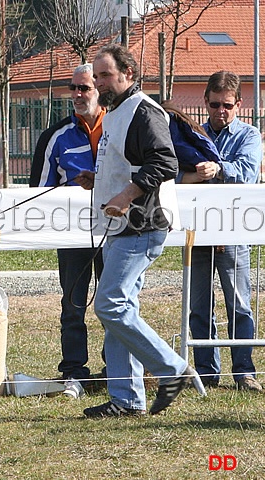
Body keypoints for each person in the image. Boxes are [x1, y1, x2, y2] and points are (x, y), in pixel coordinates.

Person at [75, 45, 199, 417]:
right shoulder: (115, 113)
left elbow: (164, 162)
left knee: (110, 305)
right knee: (120, 311)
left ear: (128, 73)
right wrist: (99, 180)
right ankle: (127, 401)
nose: (99, 83)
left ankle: (171, 369)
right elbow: (132, 163)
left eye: (105, 76)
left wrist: (126, 195)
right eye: (96, 77)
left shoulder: (144, 111)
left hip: (141, 224)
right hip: (121, 225)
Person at [180, 71, 263, 391]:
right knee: (198, 306)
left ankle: (244, 371)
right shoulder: (194, 135)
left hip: (233, 232)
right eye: (214, 105)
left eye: (227, 105)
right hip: (197, 231)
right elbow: (176, 171)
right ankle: (206, 372)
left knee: (239, 305)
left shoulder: (249, 136)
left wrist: (218, 168)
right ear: (205, 102)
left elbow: (246, 172)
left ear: (239, 104)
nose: (220, 111)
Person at [30, 64, 105, 399]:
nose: (77, 95)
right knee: (73, 306)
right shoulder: (56, 136)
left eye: (84, 88)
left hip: (115, 232)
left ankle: (115, 369)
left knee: (113, 303)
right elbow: (40, 190)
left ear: (99, 90)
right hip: (71, 235)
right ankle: (74, 372)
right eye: (72, 88)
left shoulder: (118, 128)